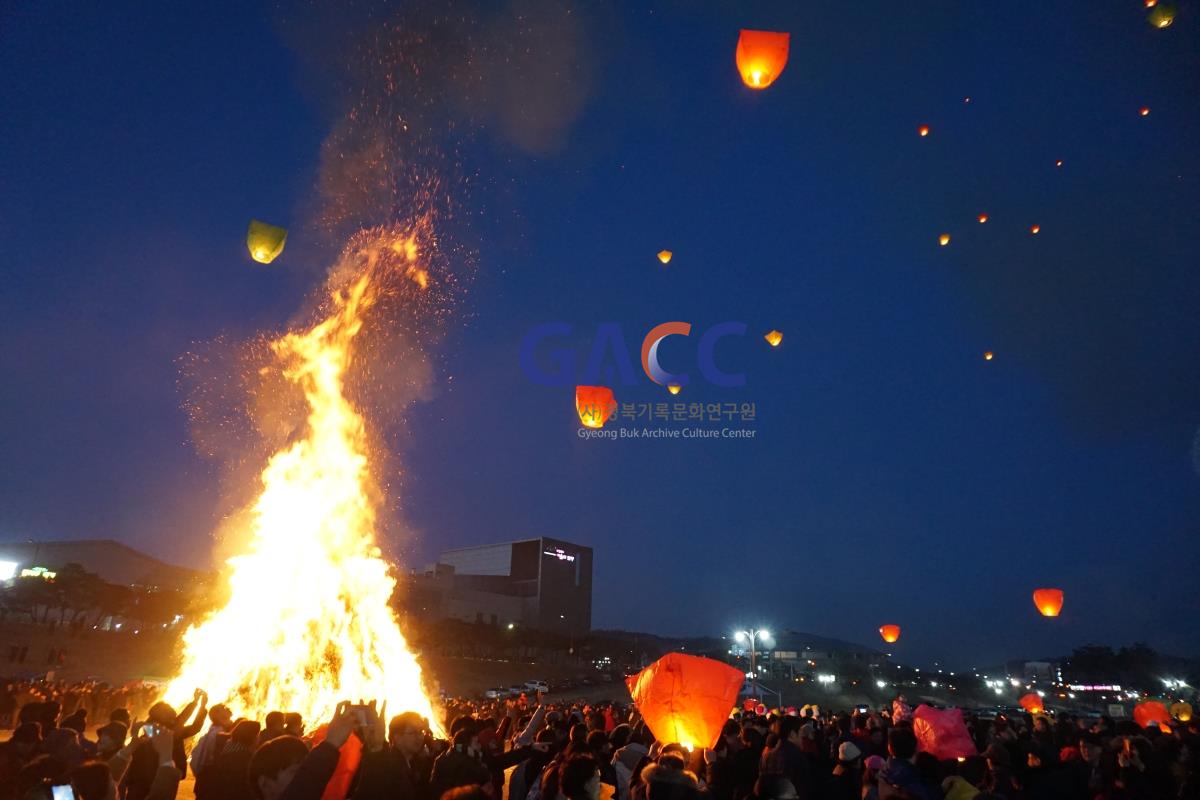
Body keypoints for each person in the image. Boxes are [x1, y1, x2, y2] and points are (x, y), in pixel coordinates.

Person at [760, 716, 812, 800]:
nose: (802, 737)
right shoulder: (797, 756)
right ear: (792, 734)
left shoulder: (767, 756)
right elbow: (803, 789)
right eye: (800, 733)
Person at [190, 703, 233, 779]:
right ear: (217, 715)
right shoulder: (217, 735)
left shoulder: (214, 733)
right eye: (223, 708)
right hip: (213, 779)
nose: (226, 708)